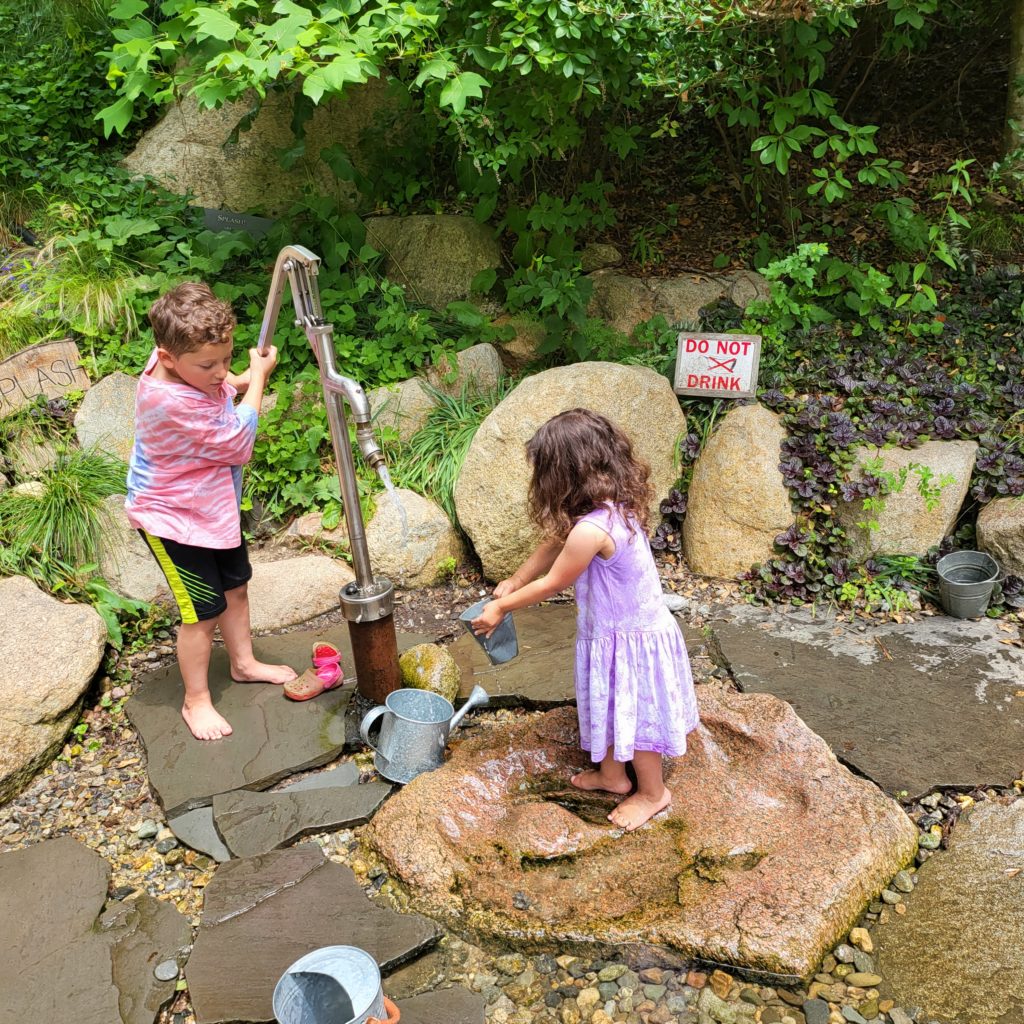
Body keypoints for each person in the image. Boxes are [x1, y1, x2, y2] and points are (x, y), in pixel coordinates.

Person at [471, 408, 700, 831]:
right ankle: (612, 776)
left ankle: (652, 792)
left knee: (640, 718)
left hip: (632, 639)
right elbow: (551, 546)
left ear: (560, 476)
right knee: (616, 704)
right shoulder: (612, 506)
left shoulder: (592, 531)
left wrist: (502, 607)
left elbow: (553, 582)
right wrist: (515, 578)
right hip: (617, 635)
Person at [125, 282, 298, 741]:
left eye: (227, 359)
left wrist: (232, 378)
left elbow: (217, 386)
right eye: (209, 365)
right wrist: (257, 378)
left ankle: (243, 663)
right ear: (166, 358)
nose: (222, 372)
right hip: (172, 519)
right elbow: (240, 444)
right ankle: (195, 700)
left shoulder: (183, 366)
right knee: (201, 611)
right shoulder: (168, 402)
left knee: (236, 586)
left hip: (209, 508)